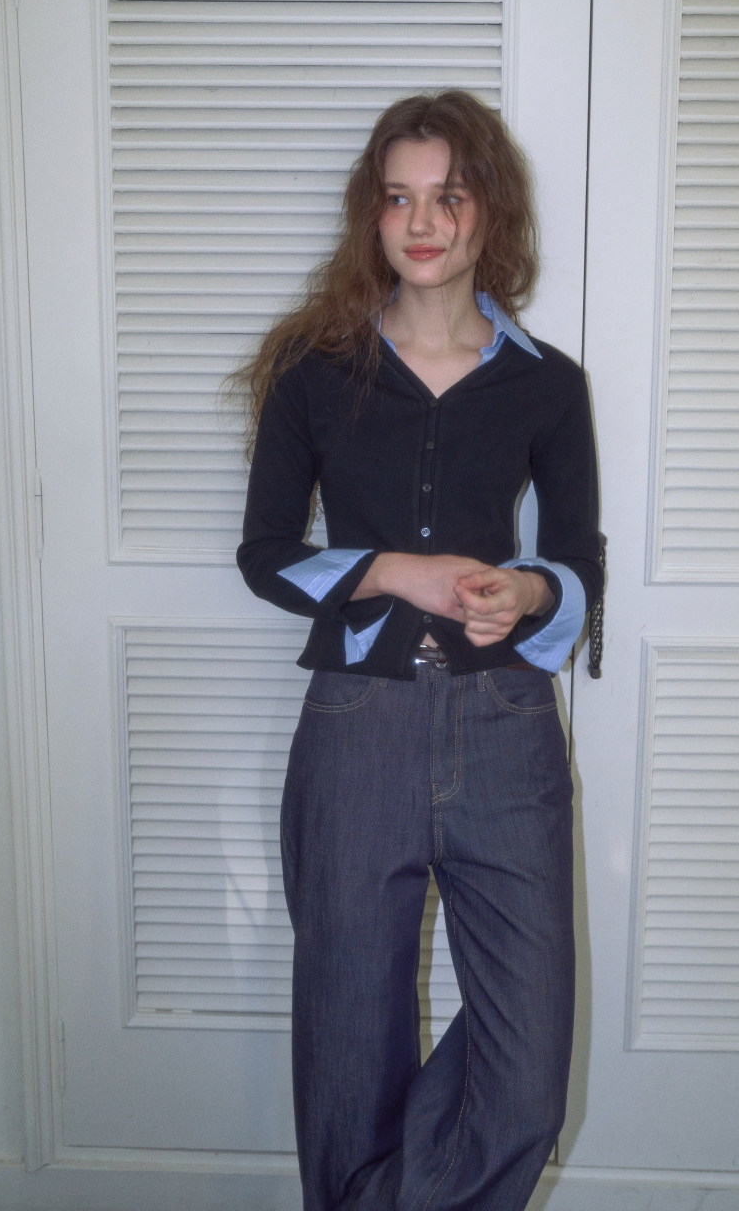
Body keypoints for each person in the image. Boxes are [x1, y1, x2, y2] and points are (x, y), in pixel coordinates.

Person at [233, 89, 604, 1210]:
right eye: (399, 198)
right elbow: (264, 556)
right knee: (350, 1050)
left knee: (526, 1070)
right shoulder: (315, 374)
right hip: (358, 727)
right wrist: (394, 570)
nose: (424, 221)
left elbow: (578, 563)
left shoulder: (549, 383)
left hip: (507, 730)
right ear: (372, 215)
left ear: (492, 211)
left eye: (450, 195)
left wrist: (527, 591)